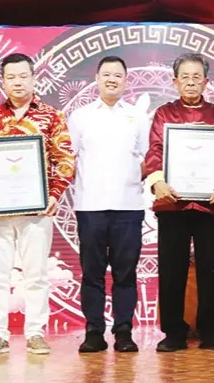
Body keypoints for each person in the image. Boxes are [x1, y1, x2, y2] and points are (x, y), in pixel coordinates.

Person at [0, 53, 75, 355]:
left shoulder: (52, 116)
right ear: (3, 81)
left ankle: (35, 332)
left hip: (37, 208)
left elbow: (66, 160)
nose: (18, 82)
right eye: (11, 77)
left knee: (36, 274)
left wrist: (54, 194)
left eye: (23, 76)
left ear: (33, 78)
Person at [144, 52, 214, 352]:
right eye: (185, 77)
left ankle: (212, 331)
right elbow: (155, 150)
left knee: (212, 269)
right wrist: (158, 181)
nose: (191, 82)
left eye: (197, 77)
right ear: (174, 81)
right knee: (172, 271)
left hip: (211, 203)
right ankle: (173, 332)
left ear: (206, 81)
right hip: (173, 203)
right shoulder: (163, 114)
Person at [67, 56, 149, 353]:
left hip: (128, 205)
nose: (112, 79)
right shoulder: (80, 117)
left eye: (118, 75)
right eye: (106, 75)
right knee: (92, 273)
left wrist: (129, 177)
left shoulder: (139, 117)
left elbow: (149, 159)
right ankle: (93, 331)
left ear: (126, 81)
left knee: (126, 273)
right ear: (97, 79)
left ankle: (124, 331)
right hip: (90, 206)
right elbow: (68, 159)